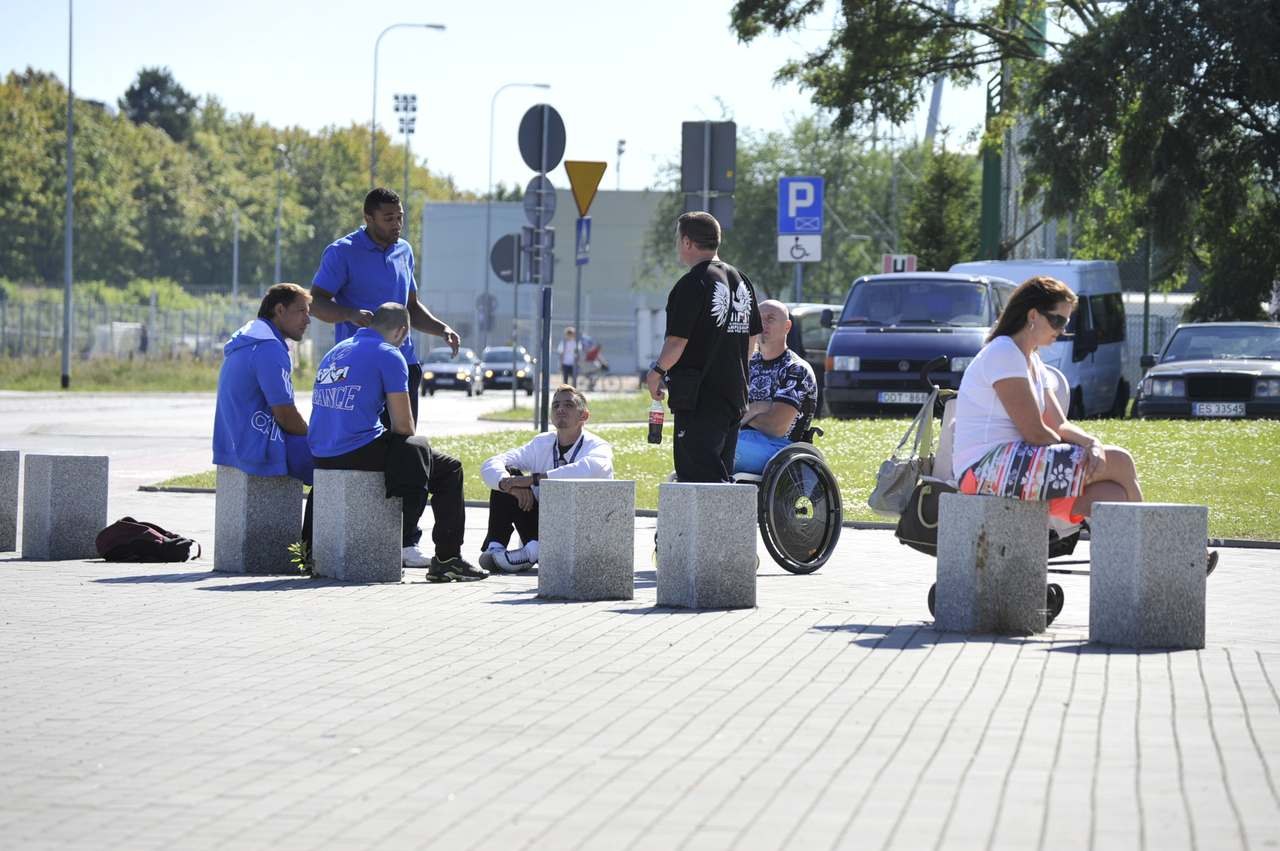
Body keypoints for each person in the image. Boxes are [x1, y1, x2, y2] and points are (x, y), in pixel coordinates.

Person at [307, 303, 486, 582]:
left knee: (411, 452)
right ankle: (447, 559)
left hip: (320, 452)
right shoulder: (390, 354)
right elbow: (404, 426)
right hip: (356, 450)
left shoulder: (337, 350)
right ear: (402, 331)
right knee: (448, 467)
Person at [951, 275, 1141, 523]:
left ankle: (1132, 558)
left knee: (1113, 494)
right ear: (1032, 316)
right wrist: (1079, 451)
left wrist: (1091, 443)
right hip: (983, 468)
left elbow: (1059, 425)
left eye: (1066, 323)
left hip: (1017, 465)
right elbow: (1036, 433)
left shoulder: (1035, 363)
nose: (1061, 330)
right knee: (1120, 461)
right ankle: (1158, 552)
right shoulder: (1004, 352)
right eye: (1056, 320)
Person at [308, 187, 462, 422]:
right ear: (368, 219)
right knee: (365, 446)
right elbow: (315, 302)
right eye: (388, 219)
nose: (397, 224)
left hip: (404, 362)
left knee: (403, 444)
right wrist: (349, 314)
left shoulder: (405, 251)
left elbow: (411, 307)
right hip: (359, 366)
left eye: (400, 217)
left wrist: (442, 329)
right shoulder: (342, 252)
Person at [645, 211, 762, 483]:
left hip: (700, 397)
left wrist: (657, 371)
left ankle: (709, 527)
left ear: (687, 242)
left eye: (678, 239)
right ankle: (723, 526)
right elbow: (752, 338)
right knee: (720, 473)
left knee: (699, 477)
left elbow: (677, 341)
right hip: (734, 395)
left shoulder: (692, 283)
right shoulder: (741, 280)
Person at [213, 283, 316, 542]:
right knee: (336, 463)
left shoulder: (249, 340)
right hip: (260, 444)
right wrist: (314, 438)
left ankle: (310, 547)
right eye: (301, 311)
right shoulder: (269, 348)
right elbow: (285, 415)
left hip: (232, 442)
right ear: (279, 310)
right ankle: (315, 551)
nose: (308, 319)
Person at [477, 385, 613, 573]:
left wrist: (533, 480)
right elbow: (491, 463)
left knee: (520, 481)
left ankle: (534, 550)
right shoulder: (542, 443)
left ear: (584, 416)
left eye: (568, 405)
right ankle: (497, 547)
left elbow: (587, 470)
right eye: (555, 405)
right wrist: (512, 486)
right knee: (508, 474)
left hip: (581, 531)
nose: (560, 409)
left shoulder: (598, 446)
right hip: (541, 524)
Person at [734, 300, 819, 475]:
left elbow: (775, 427)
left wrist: (743, 415)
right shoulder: (747, 364)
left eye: (770, 319)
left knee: (719, 449)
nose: (763, 324)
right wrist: (759, 408)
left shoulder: (796, 369)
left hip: (780, 451)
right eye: (759, 319)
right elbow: (728, 411)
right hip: (743, 440)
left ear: (787, 327)